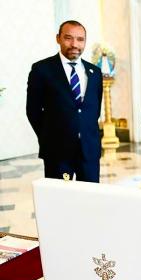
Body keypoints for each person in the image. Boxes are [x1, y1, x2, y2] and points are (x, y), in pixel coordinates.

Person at [26, 20, 103, 182]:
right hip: (57, 151)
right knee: (59, 201)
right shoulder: (42, 70)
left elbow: (94, 110)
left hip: (89, 151)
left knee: (90, 200)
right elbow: (33, 111)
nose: (75, 44)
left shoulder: (95, 72)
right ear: (58, 39)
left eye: (80, 39)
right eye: (68, 38)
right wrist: (49, 136)